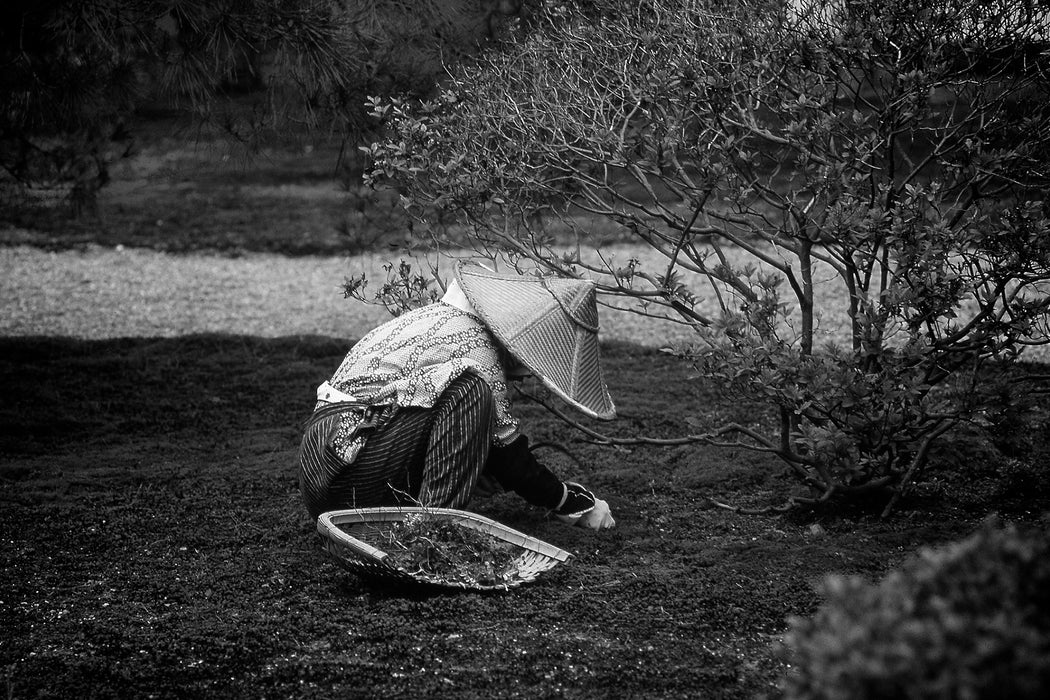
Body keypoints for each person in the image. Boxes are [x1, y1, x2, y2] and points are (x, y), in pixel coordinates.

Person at [298, 260, 617, 530]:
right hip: (350, 464)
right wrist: (569, 501)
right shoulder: (476, 344)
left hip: (319, 471)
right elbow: (510, 457)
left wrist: (479, 463)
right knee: (472, 389)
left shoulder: (426, 319)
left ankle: (399, 520)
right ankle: (424, 536)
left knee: (473, 425)